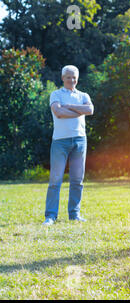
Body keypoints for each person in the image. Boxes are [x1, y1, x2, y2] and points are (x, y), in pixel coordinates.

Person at [43, 65, 94, 226]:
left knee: (77, 180)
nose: (71, 80)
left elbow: (90, 110)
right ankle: (50, 216)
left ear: (77, 79)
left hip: (79, 140)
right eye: (68, 77)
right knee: (55, 180)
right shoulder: (56, 94)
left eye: (74, 77)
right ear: (63, 78)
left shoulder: (83, 95)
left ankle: (74, 214)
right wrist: (80, 111)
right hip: (60, 142)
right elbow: (58, 112)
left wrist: (70, 106)